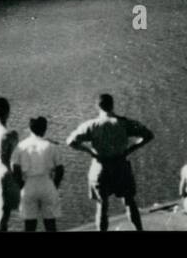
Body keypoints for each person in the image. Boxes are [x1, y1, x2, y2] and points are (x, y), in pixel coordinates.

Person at [66, 93, 155, 232]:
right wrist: (131, 149)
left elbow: (71, 142)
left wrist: (90, 151)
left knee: (102, 206)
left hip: (100, 167)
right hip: (120, 165)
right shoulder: (124, 123)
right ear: (112, 105)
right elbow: (148, 135)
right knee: (130, 202)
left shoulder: (91, 125)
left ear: (98, 106)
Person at [11, 116, 66, 232]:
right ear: (45, 129)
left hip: (29, 184)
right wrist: (54, 185)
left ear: (30, 129)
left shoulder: (21, 146)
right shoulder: (51, 146)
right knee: (50, 223)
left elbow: (14, 168)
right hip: (47, 182)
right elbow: (60, 169)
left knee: (29, 224)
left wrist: (21, 185)